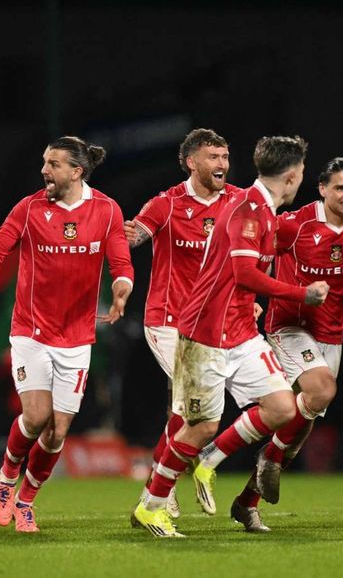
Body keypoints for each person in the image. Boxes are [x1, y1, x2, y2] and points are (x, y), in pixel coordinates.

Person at [0, 136, 132, 533]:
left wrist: (122, 290)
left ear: (76, 172)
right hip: (32, 331)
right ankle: (6, 479)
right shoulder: (30, 208)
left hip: (78, 337)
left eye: (52, 164)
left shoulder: (106, 210)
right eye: (44, 162)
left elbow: (120, 260)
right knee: (35, 417)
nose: (43, 170)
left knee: (57, 432)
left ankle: (27, 501)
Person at [132, 136, 327, 539]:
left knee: (281, 407)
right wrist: (301, 294)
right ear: (292, 176)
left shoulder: (259, 208)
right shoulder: (247, 210)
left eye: (226, 155)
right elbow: (244, 274)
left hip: (239, 332)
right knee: (199, 423)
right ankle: (152, 504)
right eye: (302, 173)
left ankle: (211, 457)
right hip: (203, 333)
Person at [226, 156, 343, 532]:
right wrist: (253, 299)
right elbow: (258, 255)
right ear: (323, 189)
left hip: (332, 332)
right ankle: (259, 458)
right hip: (290, 323)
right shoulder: (295, 224)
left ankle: (247, 502)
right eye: (341, 188)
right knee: (322, 389)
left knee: (299, 428)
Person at [124, 128, 240, 519]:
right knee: (196, 411)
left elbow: (256, 253)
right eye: (213, 157)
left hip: (214, 323)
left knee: (187, 411)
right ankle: (163, 488)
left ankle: (157, 484)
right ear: (192, 162)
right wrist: (113, 234)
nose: (222, 164)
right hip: (167, 321)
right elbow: (135, 235)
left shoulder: (239, 202)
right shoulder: (167, 204)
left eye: (225, 156)